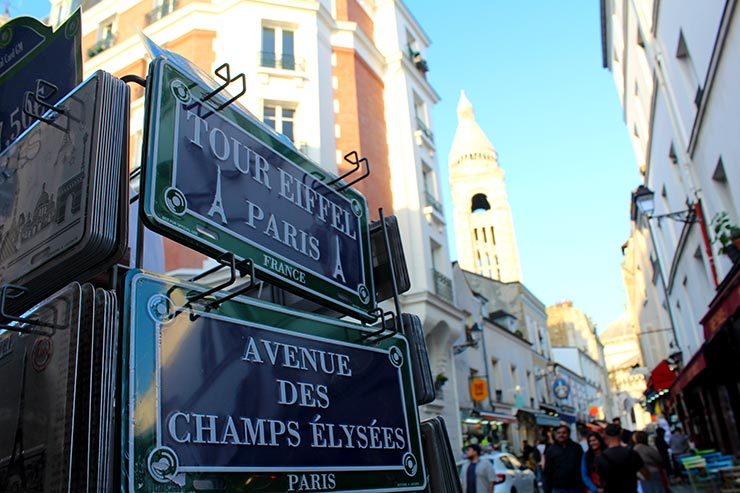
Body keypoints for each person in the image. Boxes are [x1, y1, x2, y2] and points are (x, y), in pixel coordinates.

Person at [596, 424, 647, 493]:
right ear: (621, 433)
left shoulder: (601, 458)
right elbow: (646, 474)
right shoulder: (631, 453)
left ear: (605, 435)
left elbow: (600, 480)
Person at [543, 425, 584, 493]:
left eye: (564, 433)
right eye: (559, 433)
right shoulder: (551, 450)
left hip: (575, 487)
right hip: (558, 488)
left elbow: (582, 466)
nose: (561, 435)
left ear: (568, 434)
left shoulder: (577, 448)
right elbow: (547, 471)